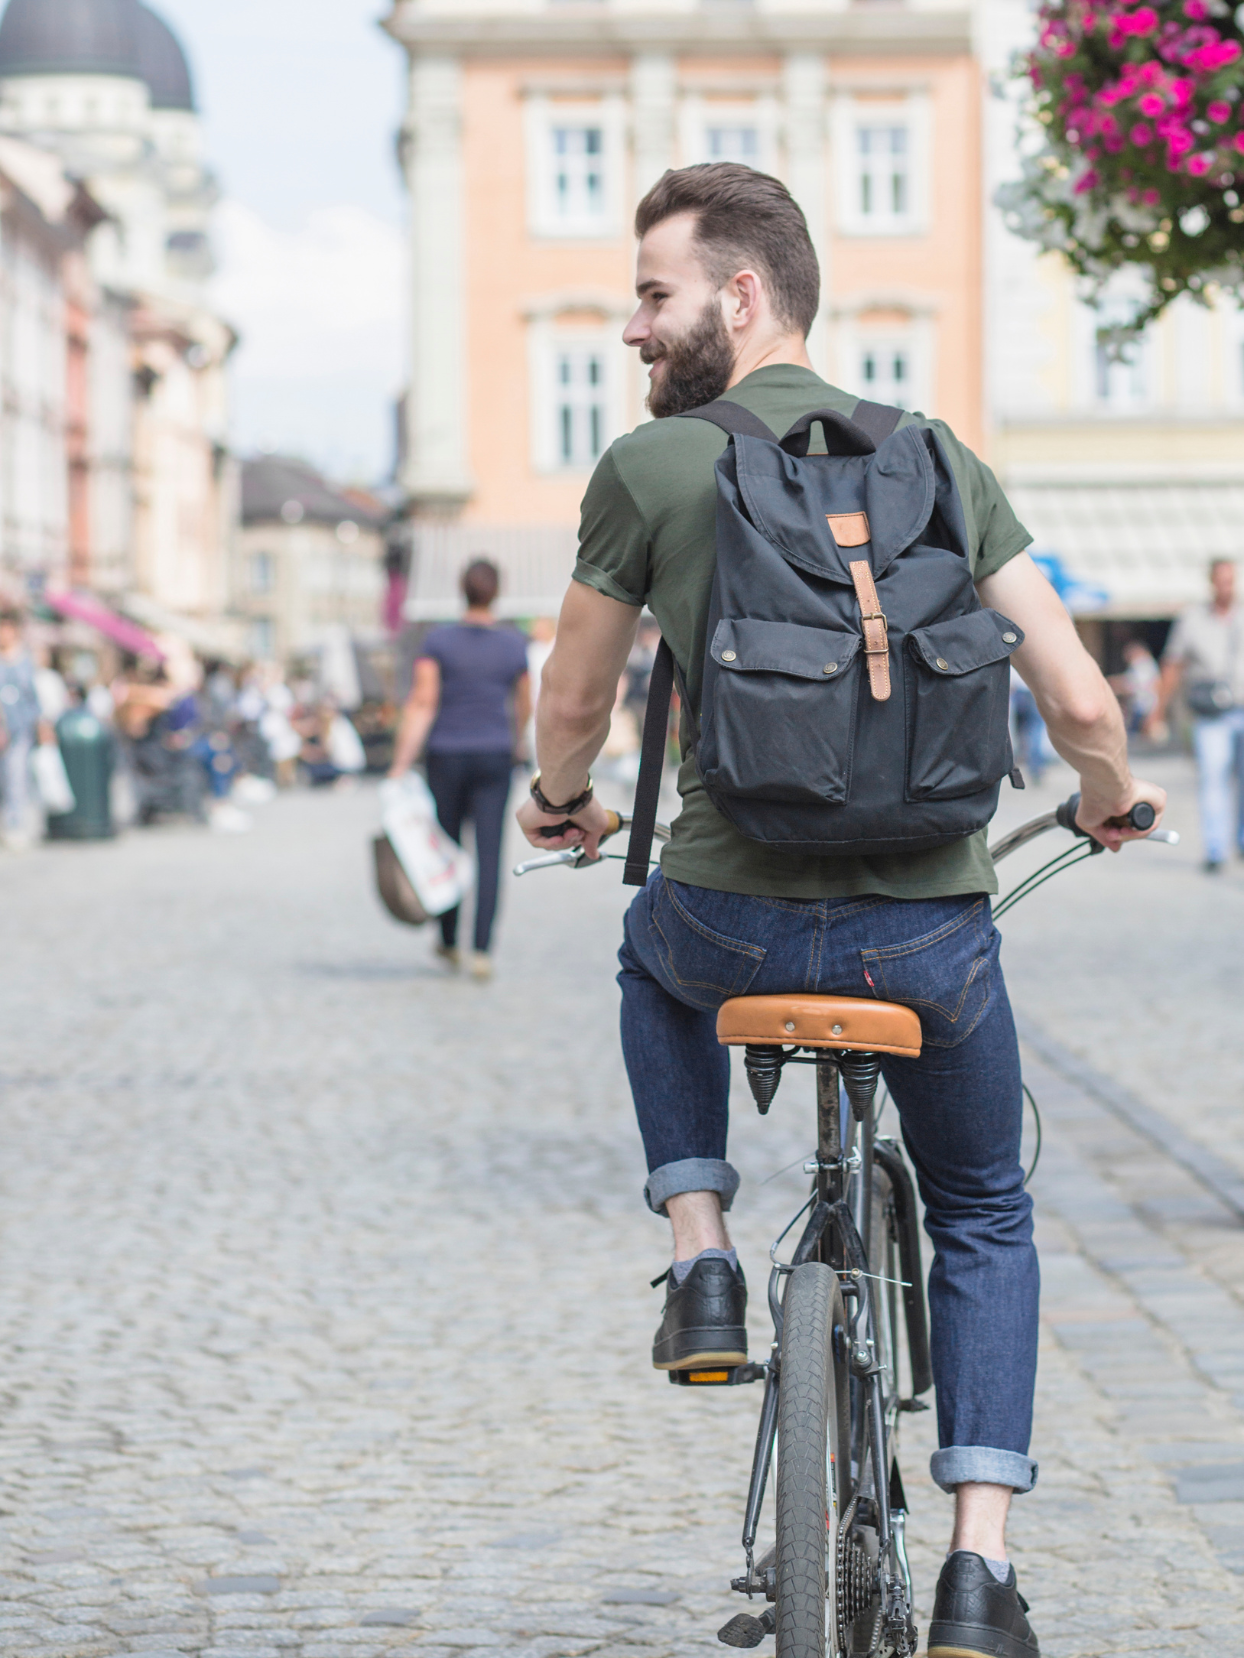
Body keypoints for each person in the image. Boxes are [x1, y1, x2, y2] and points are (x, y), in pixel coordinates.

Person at [515, 163, 1166, 1658]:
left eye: (655, 294)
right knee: (983, 1208)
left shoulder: (650, 465)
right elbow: (1078, 701)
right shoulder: (939, 457)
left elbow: (576, 695)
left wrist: (561, 798)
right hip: (926, 937)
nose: (633, 327)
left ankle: (702, 1253)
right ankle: (979, 1571)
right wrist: (1112, 796)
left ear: (741, 297)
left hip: (725, 921)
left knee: (647, 958)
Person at [390, 559, 530, 980]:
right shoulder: (513, 645)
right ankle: (482, 951)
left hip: (446, 754)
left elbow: (422, 702)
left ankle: (449, 941)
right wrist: (516, 741)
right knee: (490, 853)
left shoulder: (438, 641)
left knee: (446, 848)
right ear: (497, 592)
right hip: (494, 754)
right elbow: (525, 702)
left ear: (461, 589)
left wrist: (399, 764)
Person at [1147, 559, 1244, 872]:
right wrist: (1157, 711)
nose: (1226, 587)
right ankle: (1215, 850)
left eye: (1231, 580)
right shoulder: (1193, 618)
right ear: (1212, 583)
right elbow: (1173, 665)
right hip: (1211, 713)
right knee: (1212, 779)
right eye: (1221, 581)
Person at [0, 608, 52, 849]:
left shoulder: (25, 659)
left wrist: (41, 723)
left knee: (17, 777)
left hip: (20, 729)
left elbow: (33, 696)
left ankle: (15, 826)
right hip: (3, 727)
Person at [1109, 637, 1160, 734]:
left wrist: (1116, 685)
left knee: (1134, 736)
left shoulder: (1142, 664)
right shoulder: (1144, 664)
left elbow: (1134, 685)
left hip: (1144, 707)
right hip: (1142, 707)